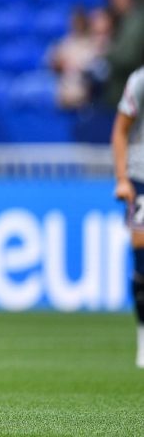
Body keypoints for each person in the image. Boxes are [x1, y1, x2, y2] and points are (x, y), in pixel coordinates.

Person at [111, 65, 144, 369]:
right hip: (141, 174)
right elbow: (120, 130)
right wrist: (122, 179)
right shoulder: (140, 81)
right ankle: (143, 334)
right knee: (142, 254)